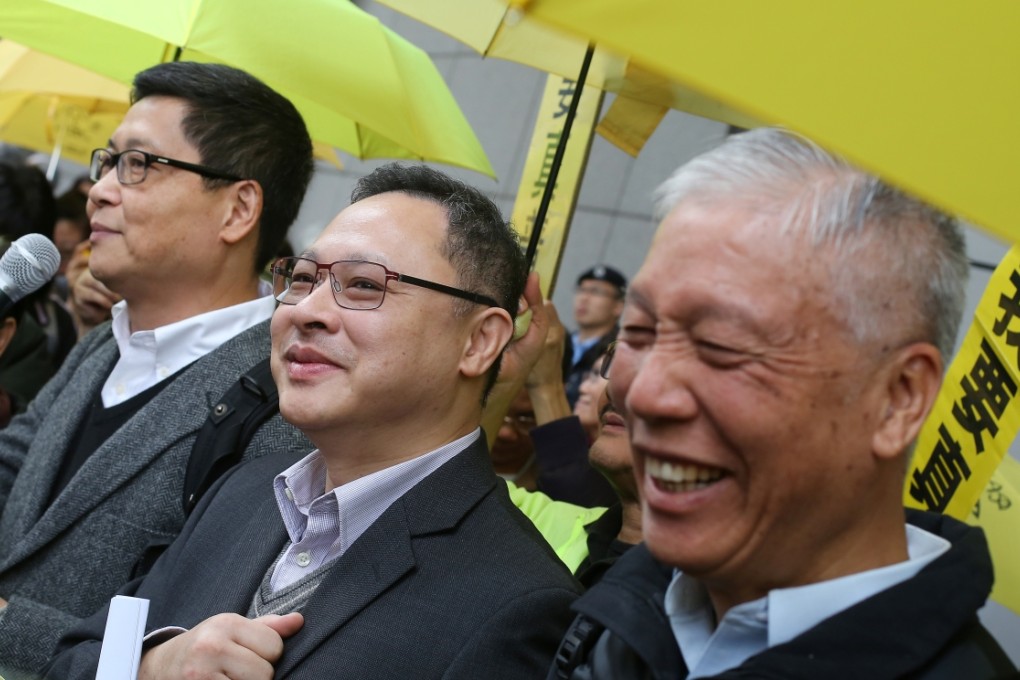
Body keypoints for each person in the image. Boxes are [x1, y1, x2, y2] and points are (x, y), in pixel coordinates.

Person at [47, 164, 581, 679]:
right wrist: (149, 667)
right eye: (302, 279)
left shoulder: (518, 604)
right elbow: (74, 656)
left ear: (479, 340)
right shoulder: (242, 490)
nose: (306, 311)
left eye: (366, 285)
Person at [550, 128, 1017, 679]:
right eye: (641, 331)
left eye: (720, 345)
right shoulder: (618, 619)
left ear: (898, 400)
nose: (645, 394)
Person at [0, 61, 314, 675]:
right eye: (107, 161)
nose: (101, 189)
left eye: (138, 165)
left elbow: (188, 643)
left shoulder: (280, 402)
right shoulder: (103, 346)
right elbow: (12, 473)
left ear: (237, 210)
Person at [562, 264, 626, 407]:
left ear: (618, 307)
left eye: (596, 292)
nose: (584, 298)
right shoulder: (559, 342)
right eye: (581, 290)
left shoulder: (618, 352)